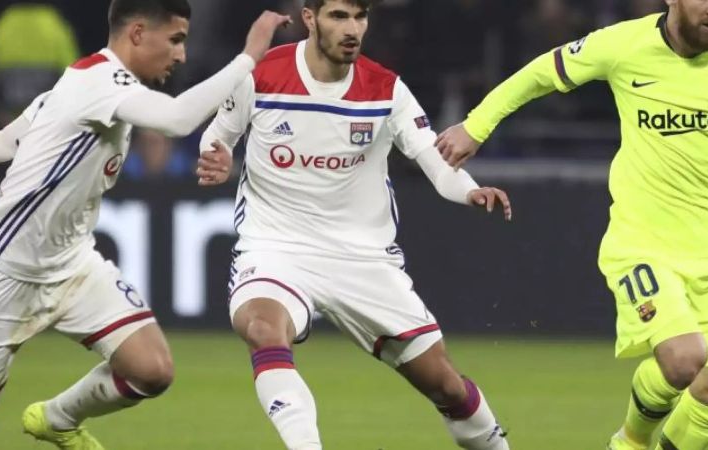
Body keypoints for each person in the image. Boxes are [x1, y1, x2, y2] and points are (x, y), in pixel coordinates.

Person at [435, 1, 708, 449]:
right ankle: (630, 442)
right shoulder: (623, 45)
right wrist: (477, 125)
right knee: (684, 358)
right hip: (643, 243)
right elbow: (543, 71)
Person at [0, 0, 291, 448]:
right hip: (2, 272)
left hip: (71, 264)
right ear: (138, 33)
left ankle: (58, 420)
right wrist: (248, 56)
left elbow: (7, 141)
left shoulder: (87, 82)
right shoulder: (100, 82)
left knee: (151, 370)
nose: (181, 54)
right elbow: (177, 119)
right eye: (176, 40)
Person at [197, 1, 512, 449]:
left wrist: (470, 190)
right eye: (339, 16)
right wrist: (217, 157)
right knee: (264, 329)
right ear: (310, 18)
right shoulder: (262, 74)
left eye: (359, 17)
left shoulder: (385, 88)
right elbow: (218, 135)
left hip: (362, 257)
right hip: (276, 247)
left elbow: (434, 160)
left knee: (445, 385)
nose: (352, 29)